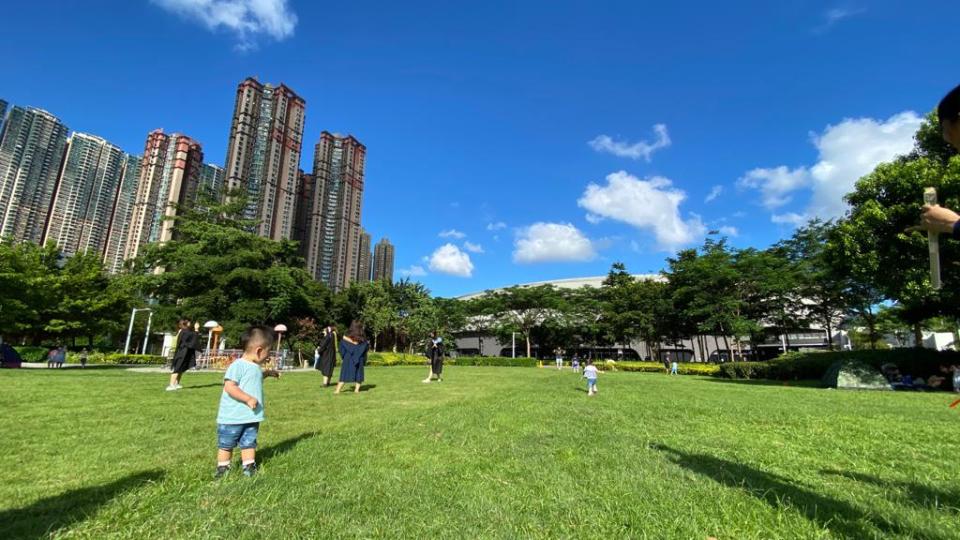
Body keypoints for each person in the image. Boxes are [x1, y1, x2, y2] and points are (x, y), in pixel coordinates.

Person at [214, 325, 280, 478]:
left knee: (249, 442)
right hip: (232, 417)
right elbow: (230, 387)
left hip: (250, 416)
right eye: (268, 351)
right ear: (259, 350)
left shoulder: (255, 366)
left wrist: (268, 373)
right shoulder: (237, 365)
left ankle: (249, 466)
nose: (268, 355)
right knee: (226, 445)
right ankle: (223, 469)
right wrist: (248, 398)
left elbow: (253, 379)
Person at [335, 321, 369, 394]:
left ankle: (337, 390)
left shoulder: (347, 336)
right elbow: (365, 347)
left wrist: (344, 355)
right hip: (359, 357)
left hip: (348, 357)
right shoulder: (363, 337)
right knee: (358, 374)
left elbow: (341, 348)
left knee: (344, 374)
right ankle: (356, 390)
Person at [168, 318, 200, 391]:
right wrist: (196, 329)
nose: (190, 323)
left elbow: (193, 337)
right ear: (185, 323)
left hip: (184, 352)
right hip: (181, 352)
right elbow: (194, 337)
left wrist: (195, 330)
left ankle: (176, 384)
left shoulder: (186, 331)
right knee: (177, 368)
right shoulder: (185, 331)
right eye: (189, 322)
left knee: (181, 369)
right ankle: (171, 385)